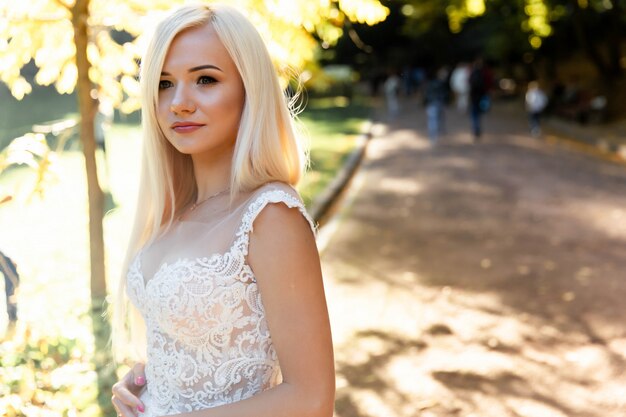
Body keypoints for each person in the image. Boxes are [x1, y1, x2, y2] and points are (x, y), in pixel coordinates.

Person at [110, 5, 335, 417]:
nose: (178, 103)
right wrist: (143, 381)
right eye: (163, 84)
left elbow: (312, 398)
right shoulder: (174, 212)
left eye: (205, 80)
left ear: (250, 89)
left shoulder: (270, 217)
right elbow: (193, 343)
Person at [423, 68, 448, 144]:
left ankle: (433, 137)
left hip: (431, 103)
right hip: (438, 103)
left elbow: (425, 95)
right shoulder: (440, 83)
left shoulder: (428, 84)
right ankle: (436, 134)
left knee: (432, 120)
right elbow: (444, 93)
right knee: (438, 120)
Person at [468, 57, 491, 142]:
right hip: (481, 96)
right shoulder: (484, 73)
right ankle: (477, 128)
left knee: (474, 114)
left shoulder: (473, 73)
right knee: (478, 114)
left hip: (474, 97)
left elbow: (469, 83)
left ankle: (475, 129)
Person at [0, 249, 20, 324]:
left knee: (12, 298)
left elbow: (11, 273)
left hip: (12, 278)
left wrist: (15, 285)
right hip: (11, 276)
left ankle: (13, 320)